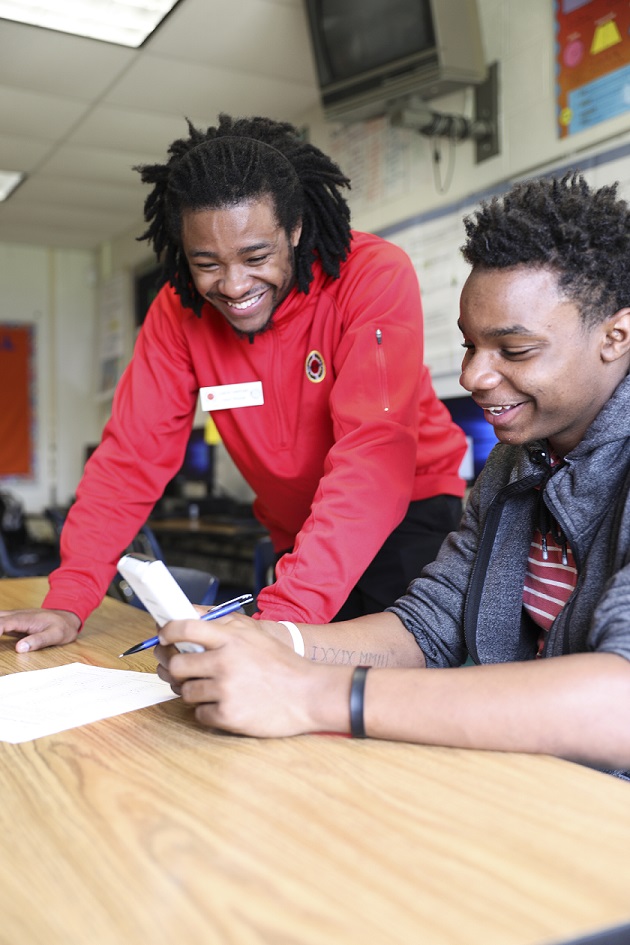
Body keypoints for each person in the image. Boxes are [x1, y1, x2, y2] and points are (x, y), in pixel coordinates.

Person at [154, 171, 630, 779]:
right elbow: (430, 623)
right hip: (531, 789)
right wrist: (277, 642)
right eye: (469, 347)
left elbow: (619, 700)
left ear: (616, 335)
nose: (474, 378)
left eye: (514, 351)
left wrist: (308, 693)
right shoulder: (517, 463)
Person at [0, 114, 466, 652]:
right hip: (298, 531)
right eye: (207, 263)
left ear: (292, 228)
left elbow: (373, 456)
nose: (234, 285)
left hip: (407, 516)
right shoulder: (178, 313)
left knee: (384, 694)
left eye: (256, 256)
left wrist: (281, 618)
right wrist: (70, 597)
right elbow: (131, 457)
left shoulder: (371, 275)